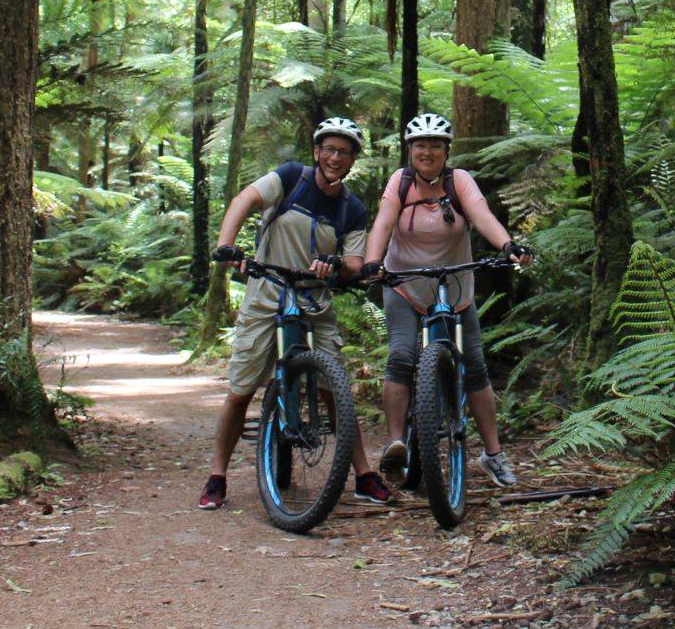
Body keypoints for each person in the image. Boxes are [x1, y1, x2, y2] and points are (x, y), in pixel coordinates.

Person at [196, 116, 396, 510]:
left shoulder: (351, 209)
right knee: (241, 390)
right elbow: (245, 200)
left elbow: (356, 263)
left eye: (345, 152)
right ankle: (217, 476)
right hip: (267, 292)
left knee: (335, 390)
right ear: (317, 151)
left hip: (314, 299)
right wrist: (227, 245)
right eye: (330, 149)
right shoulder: (291, 178)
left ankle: (363, 475)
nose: (335, 157)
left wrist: (335, 265)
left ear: (354, 159)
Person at [362, 112, 530, 489]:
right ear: (410, 150)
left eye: (434, 145)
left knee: (474, 365)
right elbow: (383, 225)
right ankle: (396, 444)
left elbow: (483, 217)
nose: (427, 151)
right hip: (404, 284)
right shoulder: (400, 183)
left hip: (454, 287)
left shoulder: (460, 181)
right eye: (420, 145)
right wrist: (373, 262)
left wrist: (507, 245)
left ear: (445, 151)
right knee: (401, 356)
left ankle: (493, 454)